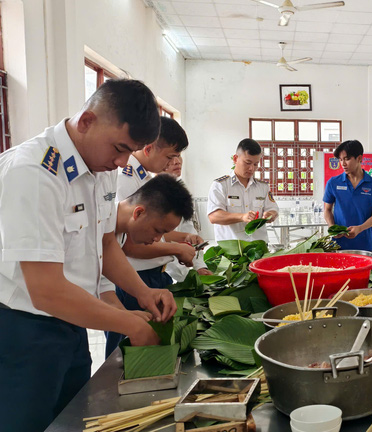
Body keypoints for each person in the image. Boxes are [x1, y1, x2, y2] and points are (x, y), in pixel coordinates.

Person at [0, 79, 177, 432]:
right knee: (26, 423)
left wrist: (143, 293)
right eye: (120, 148)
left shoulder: (102, 168)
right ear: (86, 122)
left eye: (132, 151)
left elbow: (106, 243)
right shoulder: (34, 173)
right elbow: (45, 291)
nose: (122, 161)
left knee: (72, 420)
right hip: (24, 332)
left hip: (74, 321)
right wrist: (130, 323)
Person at [105, 117, 197, 357]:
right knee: (122, 355)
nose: (174, 163)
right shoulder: (122, 179)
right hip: (38, 319)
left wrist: (136, 303)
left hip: (134, 281)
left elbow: (103, 279)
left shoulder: (115, 227)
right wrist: (124, 319)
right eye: (170, 157)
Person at [208, 139, 279, 244]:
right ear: (236, 159)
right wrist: (241, 217)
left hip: (258, 248)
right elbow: (214, 216)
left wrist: (270, 214)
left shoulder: (262, 187)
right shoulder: (220, 185)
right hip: (232, 251)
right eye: (247, 163)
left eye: (255, 164)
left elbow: (273, 210)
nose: (251, 168)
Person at [323, 140, 372, 251]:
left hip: (364, 243)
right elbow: (327, 210)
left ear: (359, 158)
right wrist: (331, 226)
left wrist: (360, 228)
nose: (343, 164)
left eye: (347, 159)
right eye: (340, 160)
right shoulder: (333, 183)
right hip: (338, 244)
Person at [162, 156, 213, 281]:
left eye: (178, 155)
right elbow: (152, 238)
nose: (177, 161)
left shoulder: (180, 192)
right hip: (161, 271)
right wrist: (183, 241)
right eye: (170, 156)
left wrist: (200, 267)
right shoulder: (148, 192)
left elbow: (190, 232)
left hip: (180, 274)